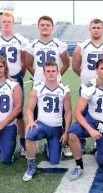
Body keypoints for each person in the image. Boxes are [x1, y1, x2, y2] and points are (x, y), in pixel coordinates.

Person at [72, 18, 103, 155]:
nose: (96, 30)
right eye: (94, 27)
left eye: (99, 27)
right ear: (90, 29)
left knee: (100, 115)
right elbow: (76, 67)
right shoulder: (81, 46)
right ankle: (81, 140)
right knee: (84, 114)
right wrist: (89, 79)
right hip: (87, 87)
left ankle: (97, 140)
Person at [24, 15, 71, 156]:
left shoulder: (58, 44)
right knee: (37, 112)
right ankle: (36, 141)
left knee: (60, 112)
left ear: (52, 27)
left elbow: (66, 63)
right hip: (38, 83)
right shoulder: (32, 45)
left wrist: (55, 76)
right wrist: (39, 75)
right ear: (38, 27)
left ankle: (64, 143)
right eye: (42, 25)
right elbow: (28, 64)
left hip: (56, 84)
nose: (45, 27)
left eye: (48, 25)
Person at [0, 12, 29, 157]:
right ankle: (0, 144)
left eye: (9, 21)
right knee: (0, 112)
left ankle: (23, 144)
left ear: (13, 23)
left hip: (15, 77)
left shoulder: (20, 40)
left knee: (19, 113)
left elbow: (24, 61)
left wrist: (18, 77)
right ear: (0, 23)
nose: (6, 24)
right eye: (4, 21)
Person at [22, 61, 72, 181]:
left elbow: (69, 113)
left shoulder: (65, 90)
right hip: (42, 125)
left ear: (58, 72)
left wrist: (66, 133)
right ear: (44, 73)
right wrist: (30, 121)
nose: (51, 73)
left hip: (57, 128)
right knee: (30, 134)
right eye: (48, 71)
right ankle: (31, 166)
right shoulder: (37, 88)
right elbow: (29, 109)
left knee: (54, 161)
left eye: (53, 71)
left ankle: (48, 147)